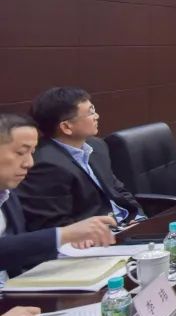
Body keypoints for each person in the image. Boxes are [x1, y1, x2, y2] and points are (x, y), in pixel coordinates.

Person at [1, 114, 117, 281]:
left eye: (32, 153)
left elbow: (17, 250)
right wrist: (63, 235)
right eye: (21, 152)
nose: (29, 163)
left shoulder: (8, 194)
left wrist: (69, 243)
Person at [17, 87, 144, 231]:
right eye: (90, 112)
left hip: (127, 224)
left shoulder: (97, 145)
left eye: (94, 109)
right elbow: (54, 224)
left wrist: (138, 217)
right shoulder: (45, 165)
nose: (97, 116)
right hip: (95, 236)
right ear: (66, 127)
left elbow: (118, 189)